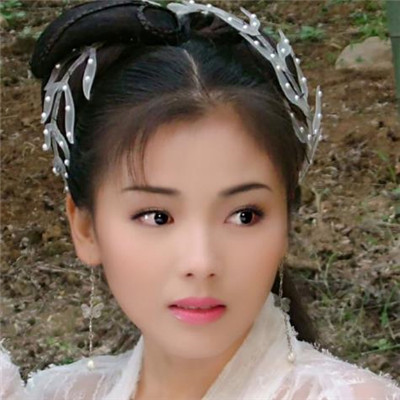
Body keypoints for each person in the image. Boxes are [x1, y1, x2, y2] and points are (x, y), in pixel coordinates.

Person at [0, 0, 399, 399]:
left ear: (286, 221)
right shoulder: (60, 394)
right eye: (157, 216)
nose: (202, 263)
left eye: (244, 215)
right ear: (86, 228)